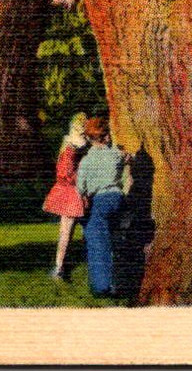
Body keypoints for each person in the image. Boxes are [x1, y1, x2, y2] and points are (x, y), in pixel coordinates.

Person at [74, 115, 128, 298]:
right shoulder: (116, 155)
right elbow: (124, 162)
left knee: (97, 242)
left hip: (100, 201)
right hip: (118, 198)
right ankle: (119, 279)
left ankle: (102, 286)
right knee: (115, 240)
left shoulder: (86, 161)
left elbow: (80, 188)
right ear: (106, 136)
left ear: (89, 138)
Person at [42, 113, 89, 279]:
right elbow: (66, 173)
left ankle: (60, 266)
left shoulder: (69, 146)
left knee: (67, 231)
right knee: (68, 231)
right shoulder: (73, 148)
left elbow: (64, 173)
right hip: (72, 191)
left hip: (71, 191)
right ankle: (60, 266)